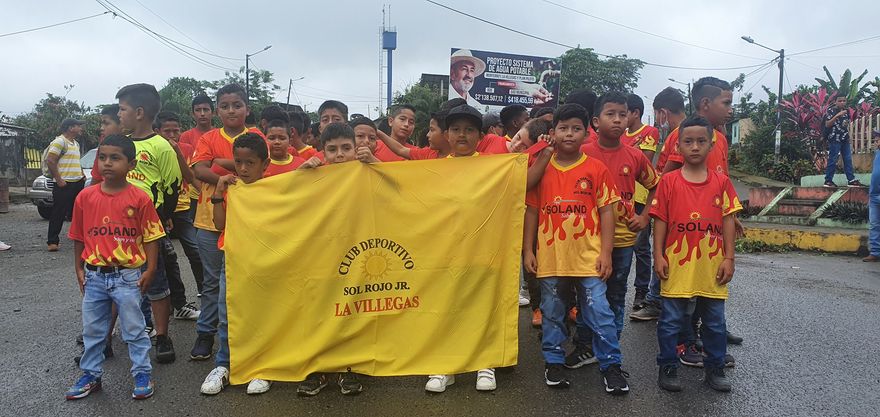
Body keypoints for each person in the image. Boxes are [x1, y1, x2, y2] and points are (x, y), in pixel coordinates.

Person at [523, 103, 630, 395]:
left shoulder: (596, 169)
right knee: (552, 312)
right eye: (563, 128)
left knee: (600, 312)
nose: (569, 134)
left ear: (586, 133)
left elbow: (607, 212)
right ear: (552, 132)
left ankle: (611, 365)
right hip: (551, 257)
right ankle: (553, 361)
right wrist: (528, 250)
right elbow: (531, 212)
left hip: (588, 258)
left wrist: (606, 253)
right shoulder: (542, 169)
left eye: (576, 129)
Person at [64, 135, 162, 400]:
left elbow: (152, 237)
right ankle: (91, 375)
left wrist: (150, 269)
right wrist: (78, 269)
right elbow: (78, 237)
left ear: (131, 164)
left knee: (134, 329)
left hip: (127, 277)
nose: (107, 163)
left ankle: (142, 373)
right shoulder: (85, 197)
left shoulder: (140, 198)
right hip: (94, 276)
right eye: (103, 157)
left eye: (115, 158)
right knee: (93, 330)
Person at [651, 115, 742, 392]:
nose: (694, 147)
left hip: (711, 266)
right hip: (676, 264)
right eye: (688, 141)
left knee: (715, 323)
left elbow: (728, 220)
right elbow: (660, 220)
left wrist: (729, 258)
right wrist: (658, 255)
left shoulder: (721, 182)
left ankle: (714, 367)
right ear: (678, 146)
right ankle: (668, 366)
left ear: (711, 145)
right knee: (670, 321)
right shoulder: (668, 182)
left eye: (701, 141)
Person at [576, 92, 659, 359]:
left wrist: (645, 217)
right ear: (596, 121)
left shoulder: (635, 156)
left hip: (623, 240)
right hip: (588, 239)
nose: (617, 120)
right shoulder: (582, 153)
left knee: (615, 293)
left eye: (622, 115)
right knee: (587, 295)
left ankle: (610, 348)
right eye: (610, 114)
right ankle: (584, 346)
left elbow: (656, 186)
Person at [190, 84, 264, 368]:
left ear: (247, 109)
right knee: (212, 283)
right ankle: (205, 334)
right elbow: (200, 169)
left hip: (248, 224)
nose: (231, 111)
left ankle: (245, 339)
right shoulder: (208, 137)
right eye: (224, 106)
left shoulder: (258, 137)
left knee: (245, 283)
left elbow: (264, 170)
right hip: (210, 221)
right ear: (217, 111)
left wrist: (222, 164)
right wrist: (231, 175)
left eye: (237, 105)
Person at [296, 123, 366, 396]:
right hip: (320, 257)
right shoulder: (314, 175)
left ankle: (350, 366)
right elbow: (287, 197)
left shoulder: (367, 172)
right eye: (332, 149)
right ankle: (318, 368)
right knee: (318, 310)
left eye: (346, 148)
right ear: (322, 152)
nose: (339, 155)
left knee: (352, 310)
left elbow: (398, 189)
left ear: (356, 149)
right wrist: (301, 174)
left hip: (356, 255)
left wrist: (375, 163)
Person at [201, 133, 274, 396]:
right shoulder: (232, 189)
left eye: (250, 163)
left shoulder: (275, 189)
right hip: (232, 260)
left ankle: (262, 366)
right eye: (238, 162)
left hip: (265, 262)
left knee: (262, 314)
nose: (243, 169)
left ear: (264, 164)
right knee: (228, 314)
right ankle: (224, 364)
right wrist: (218, 193)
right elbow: (220, 224)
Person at [116, 83, 183, 364]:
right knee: (116, 280)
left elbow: (173, 185)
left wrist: (162, 217)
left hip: (148, 228)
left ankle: (163, 336)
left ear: (140, 112)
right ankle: (110, 335)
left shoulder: (161, 146)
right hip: (118, 228)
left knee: (155, 281)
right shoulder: (121, 144)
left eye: (123, 109)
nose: (119, 114)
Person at [630, 87, 688, 322]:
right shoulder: (686, 132)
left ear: (663, 112)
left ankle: (655, 301)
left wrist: (652, 197)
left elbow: (668, 174)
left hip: (672, 203)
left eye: (657, 114)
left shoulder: (679, 134)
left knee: (662, 252)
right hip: (676, 202)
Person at [154, 111, 204, 314]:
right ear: (157, 131)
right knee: (165, 258)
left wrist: (177, 152)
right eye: (168, 131)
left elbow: (190, 176)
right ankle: (173, 301)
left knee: (195, 251)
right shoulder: (153, 148)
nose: (173, 135)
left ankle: (205, 291)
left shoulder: (186, 148)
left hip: (182, 207)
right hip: (160, 210)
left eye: (176, 130)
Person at [623, 93, 661, 309]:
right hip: (621, 196)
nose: (620, 119)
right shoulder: (622, 135)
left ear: (635, 113)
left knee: (641, 248)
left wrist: (627, 153)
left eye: (624, 113)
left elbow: (642, 162)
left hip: (640, 198)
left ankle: (641, 291)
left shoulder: (650, 132)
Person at [45, 118, 86, 252]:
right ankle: (52, 241)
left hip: (77, 182)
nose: (80, 128)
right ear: (70, 128)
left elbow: (76, 161)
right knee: (58, 212)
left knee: (78, 212)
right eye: (78, 126)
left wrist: (81, 174)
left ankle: (79, 237)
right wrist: (59, 179)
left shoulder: (76, 144)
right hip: (64, 183)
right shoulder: (60, 141)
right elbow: (50, 160)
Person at [376, 111, 451, 160]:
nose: (427, 135)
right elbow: (400, 150)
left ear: (446, 134)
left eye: (432, 130)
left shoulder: (458, 157)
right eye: (402, 119)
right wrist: (376, 131)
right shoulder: (427, 154)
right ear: (391, 121)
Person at [824, 95, 863, 187]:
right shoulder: (831, 111)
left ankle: (851, 180)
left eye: (844, 101)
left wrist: (848, 136)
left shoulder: (847, 111)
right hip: (834, 138)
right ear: (835, 102)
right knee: (833, 159)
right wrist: (837, 115)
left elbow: (845, 125)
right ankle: (828, 181)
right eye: (840, 101)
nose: (842, 102)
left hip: (844, 138)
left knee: (848, 159)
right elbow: (827, 124)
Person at [90, 105, 124, 185]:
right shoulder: (103, 145)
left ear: (122, 124)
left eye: (106, 123)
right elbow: (96, 177)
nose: (101, 128)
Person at [864, 128, 880, 262]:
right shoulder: (877, 153)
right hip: (874, 195)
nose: (876, 141)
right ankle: (875, 252)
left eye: (877, 139)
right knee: (874, 224)